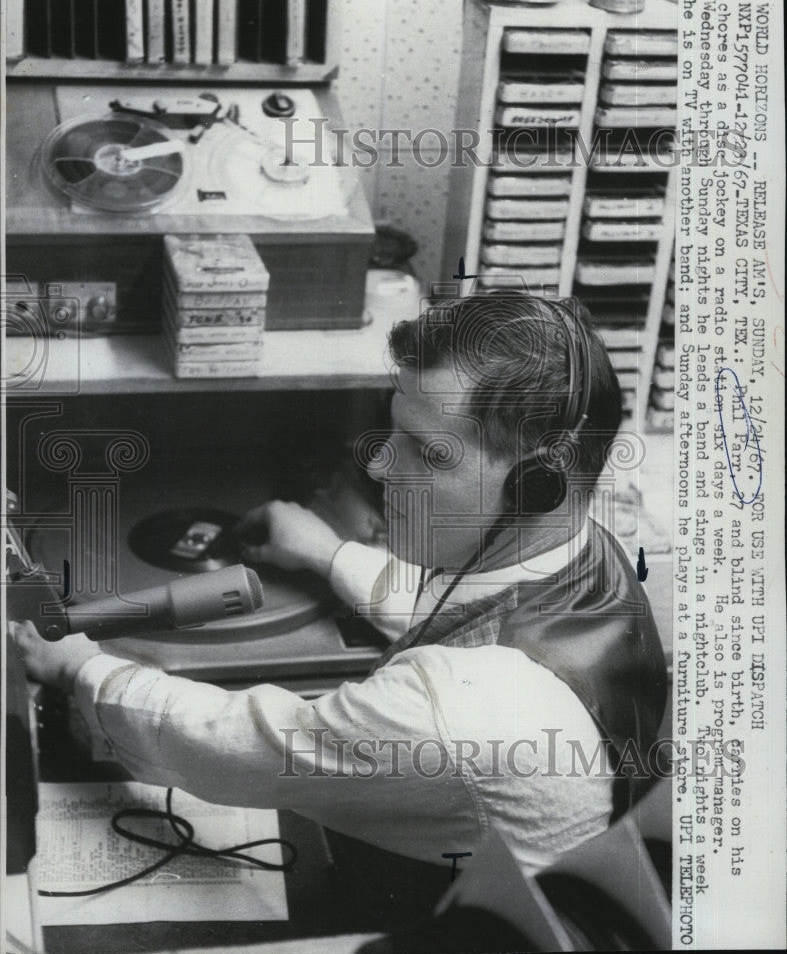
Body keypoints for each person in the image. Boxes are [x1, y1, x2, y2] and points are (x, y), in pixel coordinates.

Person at [11, 292, 666, 910]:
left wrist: (79, 668)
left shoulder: (465, 707)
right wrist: (329, 555)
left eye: (426, 452)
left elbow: (242, 745)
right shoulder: (582, 551)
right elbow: (467, 606)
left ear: (534, 488)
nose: (379, 465)